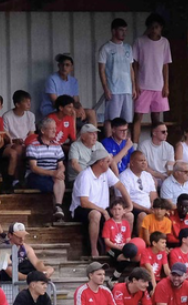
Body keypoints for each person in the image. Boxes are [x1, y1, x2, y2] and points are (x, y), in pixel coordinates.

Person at [70, 147, 122, 257]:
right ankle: (94, 250)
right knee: (96, 215)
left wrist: (129, 205)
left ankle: (118, 249)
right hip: (82, 209)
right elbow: (84, 202)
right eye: (107, 161)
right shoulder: (85, 175)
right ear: (101, 162)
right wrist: (103, 211)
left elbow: (120, 185)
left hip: (101, 208)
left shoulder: (106, 172)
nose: (110, 164)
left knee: (124, 214)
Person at [131, 14, 171, 142]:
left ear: (161, 28)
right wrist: (136, 84)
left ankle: (156, 144)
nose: (154, 30)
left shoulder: (164, 42)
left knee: (156, 117)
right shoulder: (139, 41)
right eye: (151, 27)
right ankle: (135, 145)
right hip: (143, 85)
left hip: (158, 85)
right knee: (138, 116)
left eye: (157, 27)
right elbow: (134, 64)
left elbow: (165, 65)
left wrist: (166, 85)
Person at [22, 119, 67, 220]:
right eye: (52, 129)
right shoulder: (33, 145)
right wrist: (53, 173)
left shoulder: (57, 145)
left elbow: (61, 165)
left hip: (53, 175)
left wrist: (60, 171)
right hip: (36, 176)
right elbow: (34, 168)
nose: (55, 131)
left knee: (60, 178)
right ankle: (56, 211)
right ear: (43, 130)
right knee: (53, 185)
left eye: (55, 128)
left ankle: (58, 207)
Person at [97, 19, 134, 125]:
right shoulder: (106, 48)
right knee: (111, 119)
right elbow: (101, 69)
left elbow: (131, 68)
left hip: (127, 89)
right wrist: (106, 88)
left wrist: (134, 86)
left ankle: (125, 136)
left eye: (125, 30)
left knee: (127, 120)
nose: (124, 33)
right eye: (121, 30)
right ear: (113, 31)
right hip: (113, 89)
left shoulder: (128, 47)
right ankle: (109, 136)